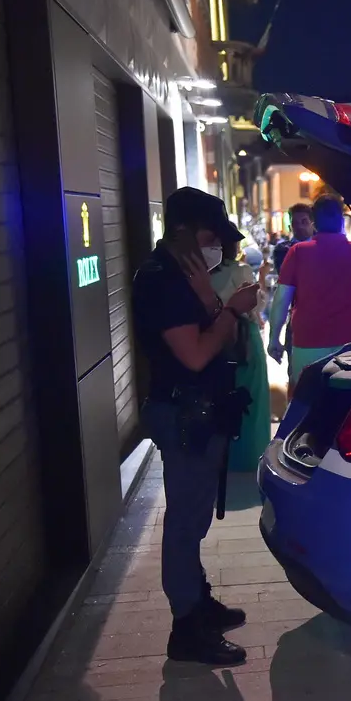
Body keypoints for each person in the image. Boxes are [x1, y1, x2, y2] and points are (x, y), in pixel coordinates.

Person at [131, 187, 258, 665]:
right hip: (184, 415)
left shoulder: (187, 278)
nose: (217, 248)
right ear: (183, 231)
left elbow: (224, 346)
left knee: (195, 517)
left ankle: (197, 601)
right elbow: (196, 352)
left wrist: (213, 302)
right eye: (210, 236)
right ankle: (186, 627)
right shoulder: (163, 279)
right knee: (185, 522)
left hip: (201, 413)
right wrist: (228, 309)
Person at [267, 194, 351, 385]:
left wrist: (274, 340)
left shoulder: (298, 252)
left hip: (307, 344)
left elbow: (281, 300)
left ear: (314, 222)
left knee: (307, 403)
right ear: (341, 220)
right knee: (345, 406)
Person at [212, 246, 273, 471]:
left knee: (226, 395)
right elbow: (258, 303)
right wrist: (263, 277)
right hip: (245, 337)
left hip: (216, 336)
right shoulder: (241, 270)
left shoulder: (200, 273)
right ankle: (252, 454)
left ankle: (227, 455)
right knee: (252, 399)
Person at [272, 202, 313, 274]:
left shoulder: (321, 246)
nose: (300, 226)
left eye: (304, 222)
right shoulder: (282, 250)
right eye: (295, 223)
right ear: (290, 227)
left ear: (312, 224)